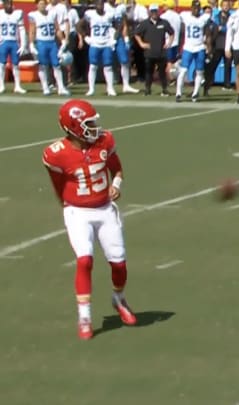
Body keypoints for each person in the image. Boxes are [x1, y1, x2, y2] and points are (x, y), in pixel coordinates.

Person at [42, 99, 137, 340]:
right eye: (88, 123)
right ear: (72, 126)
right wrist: (68, 206)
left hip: (105, 209)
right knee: (84, 260)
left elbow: (117, 169)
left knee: (119, 264)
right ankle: (84, 316)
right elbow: (58, 186)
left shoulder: (105, 141)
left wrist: (116, 185)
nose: (94, 127)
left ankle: (119, 299)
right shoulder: (56, 154)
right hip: (78, 212)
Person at [29, 0, 70, 96]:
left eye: (44, 4)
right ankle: (45, 87)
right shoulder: (34, 15)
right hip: (41, 43)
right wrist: (31, 44)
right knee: (42, 65)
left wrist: (63, 40)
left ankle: (61, 88)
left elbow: (57, 29)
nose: (43, 6)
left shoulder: (52, 13)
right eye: (40, 4)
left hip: (52, 43)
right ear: (37, 5)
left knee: (56, 65)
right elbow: (32, 31)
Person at [134, 4, 175, 96]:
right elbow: (136, 34)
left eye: (155, 11)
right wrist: (141, 43)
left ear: (158, 11)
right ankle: (147, 89)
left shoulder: (164, 22)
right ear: (149, 12)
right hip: (149, 53)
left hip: (161, 52)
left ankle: (164, 89)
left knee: (162, 73)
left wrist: (169, 43)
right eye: (152, 11)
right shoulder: (145, 23)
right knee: (149, 72)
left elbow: (171, 33)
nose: (154, 13)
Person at [175, 0, 211, 102]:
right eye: (195, 8)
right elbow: (181, 31)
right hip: (188, 47)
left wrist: (208, 48)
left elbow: (208, 33)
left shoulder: (204, 18)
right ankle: (178, 93)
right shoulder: (185, 16)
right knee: (183, 70)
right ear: (191, 8)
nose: (196, 10)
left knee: (199, 72)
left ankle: (195, 93)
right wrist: (179, 47)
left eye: (198, 8)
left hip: (200, 47)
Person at [80, 0, 118, 96]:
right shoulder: (90, 14)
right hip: (95, 44)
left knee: (108, 67)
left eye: (101, 4)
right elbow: (79, 25)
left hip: (106, 44)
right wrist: (85, 37)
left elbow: (119, 25)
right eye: (98, 4)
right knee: (93, 66)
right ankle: (91, 89)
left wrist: (114, 38)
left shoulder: (109, 15)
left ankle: (110, 88)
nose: (100, 6)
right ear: (95, 5)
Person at [0, 0, 27, 94]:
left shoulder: (17, 14)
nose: (9, 6)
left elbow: (22, 30)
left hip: (14, 42)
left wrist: (23, 44)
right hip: (3, 42)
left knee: (16, 64)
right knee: (2, 64)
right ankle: (1, 85)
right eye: (7, 4)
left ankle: (17, 86)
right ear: (3, 5)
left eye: (10, 4)